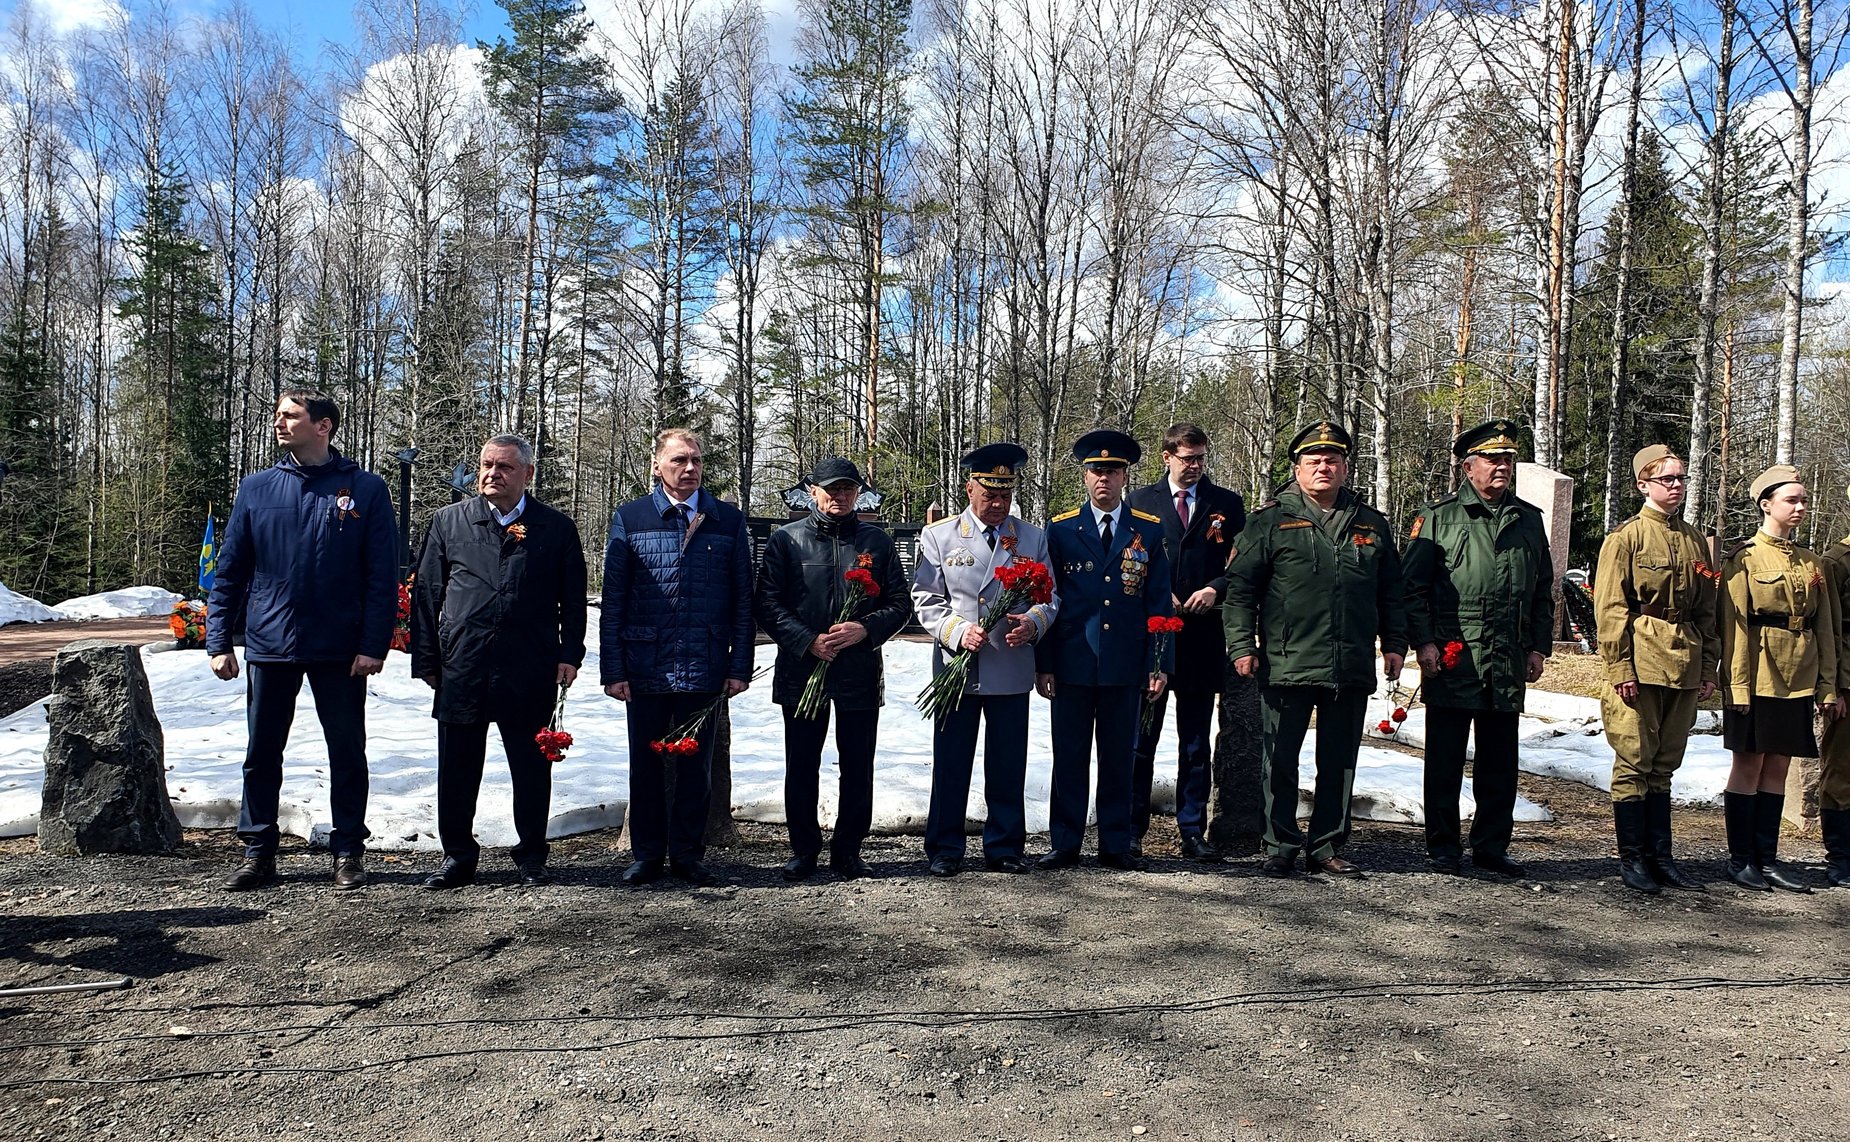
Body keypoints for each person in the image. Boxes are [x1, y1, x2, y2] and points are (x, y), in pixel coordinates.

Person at [206, 389, 398, 891]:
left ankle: (348, 851)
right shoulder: (257, 488)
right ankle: (258, 852)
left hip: (340, 647)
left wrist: (373, 644)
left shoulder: (365, 489)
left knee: (347, 752)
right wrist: (218, 639)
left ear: (323, 426)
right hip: (270, 643)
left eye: (290, 415)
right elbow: (231, 571)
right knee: (262, 753)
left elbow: (382, 575)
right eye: (277, 415)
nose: (279, 422)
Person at [1224, 421, 1405, 878]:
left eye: (1332, 460)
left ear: (1345, 467)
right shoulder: (1269, 521)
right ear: (1297, 469)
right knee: (1280, 760)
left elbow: (1391, 593)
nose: (1324, 467)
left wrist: (1394, 644)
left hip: (1349, 662)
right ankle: (1280, 844)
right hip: (1287, 660)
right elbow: (1241, 590)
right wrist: (1242, 645)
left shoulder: (1371, 524)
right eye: (1314, 461)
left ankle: (1326, 846)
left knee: (1339, 762)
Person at [411, 434, 586, 888]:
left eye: (504, 467)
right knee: (457, 767)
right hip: (462, 665)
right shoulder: (450, 521)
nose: (492, 474)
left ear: (528, 473)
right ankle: (457, 856)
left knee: (531, 769)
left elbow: (573, 601)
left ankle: (532, 855)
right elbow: (427, 593)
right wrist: (427, 658)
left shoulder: (555, 528)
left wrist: (570, 654)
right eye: (487, 464)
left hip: (530, 666)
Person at [602, 428, 755, 888]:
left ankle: (688, 854)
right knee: (646, 766)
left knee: (696, 768)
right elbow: (614, 599)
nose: (689, 468)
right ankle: (647, 854)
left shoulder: (727, 520)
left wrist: (739, 665)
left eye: (696, 460)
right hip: (645, 662)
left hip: (704, 659)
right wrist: (614, 668)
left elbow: (742, 600)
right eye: (679, 460)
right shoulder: (631, 517)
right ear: (657, 466)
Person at [1403, 418, 1554, 878]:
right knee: (1445, 759)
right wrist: (1423, 642)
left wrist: (1538, 647)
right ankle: (1443, 847)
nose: (1501, 466)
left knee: (1500, 760)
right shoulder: (1439, 517)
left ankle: (1491, 846)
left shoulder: (1528, 519)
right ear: (1468, 468)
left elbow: (1542, 590)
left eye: (1507, 459)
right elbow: (1413, 588)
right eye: (1491, 459)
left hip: (1507, 655)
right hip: (1455, 653)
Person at [754, 458, 912, 880]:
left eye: (848, 489)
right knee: (801, 763)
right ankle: (804, 849)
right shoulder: (786, 540)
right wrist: (807, 640)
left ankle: (848, 850)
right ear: (813, 491)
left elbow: (900, 603)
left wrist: (865, 629)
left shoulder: (876, 542)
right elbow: (767, 602)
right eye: (832, 489)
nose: (840, 496)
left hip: (858, 668)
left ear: (858, 493)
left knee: (857, 764)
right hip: (803, 669)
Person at [913, 443, 1060, 877]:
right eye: (989, 495)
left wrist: (1033, 623)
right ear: (969, 489)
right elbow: (926, 598)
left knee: (1008, 762)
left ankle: (1005, 846)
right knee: (952, 761)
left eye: (1005, 496)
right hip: (957, 669)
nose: (998, 504)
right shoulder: (940, 536)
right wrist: (957, 631)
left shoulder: (1031, 537)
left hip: (1009, 664)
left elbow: (1050, 597)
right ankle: (945, 847)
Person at [1035, 429, 1173, 871]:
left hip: (1125, 665)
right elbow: (1048, 599)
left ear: (1125, 476)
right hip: (1072, 663)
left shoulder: (1147, 530)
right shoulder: (1060, 530)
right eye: (1096, 470)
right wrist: (1045, 664)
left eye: (1112, 471)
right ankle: (1065, 842)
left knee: (1118, 758)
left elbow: (1158, 603)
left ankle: (1116, 842)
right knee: (1069, 757)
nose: (1104, 479)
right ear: (1084, 475)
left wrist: (1158, 664)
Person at [1591, 445, 1718, 894]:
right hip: (1641, 659)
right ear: (1643, 485)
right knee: (1634, 760)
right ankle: (1633, 860)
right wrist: (1620, 667)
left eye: (1681, 478)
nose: (1677, 485)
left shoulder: (1694, 540)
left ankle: (1661, 858)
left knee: (1665, 764)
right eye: (1667, 479)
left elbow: (1707, 610)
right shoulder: (1626, 538)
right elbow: (1610, 608)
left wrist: (1708, 666)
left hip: (1683, 659)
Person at [1718, 465, 1843, 892]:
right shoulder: (1744, 559)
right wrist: (1736, 685)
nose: (1801, 507)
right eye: (1792, 500)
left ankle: (1766, 859)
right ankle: (1740, 860)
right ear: (1766, 505)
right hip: (1757, 674)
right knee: (1749, 764)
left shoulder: (1811, 562)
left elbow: (1824, 627)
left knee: (1779, 765)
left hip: (1798, 676)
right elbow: (1733, 626)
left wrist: (1827, 684)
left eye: (1804, 500)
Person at [1128, 422, 1245, 860]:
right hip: (1155, 635)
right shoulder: (1140, 501)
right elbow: (1130, 560)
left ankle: (1192, 829)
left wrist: (1216, 587)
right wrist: (1158, 594)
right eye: (1187, 459)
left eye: (1200, 458)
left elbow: (1242, 562)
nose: (1194, 466)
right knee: (1143, 737)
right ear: (1167, 458)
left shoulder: (1226, 503)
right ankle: (1132, 827)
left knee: (1195, 741)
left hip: (1202, 634)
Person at [1818, 488, 1850, 888]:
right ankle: (1841, 856)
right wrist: (1834, 687)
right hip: (1848, 678)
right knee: (1842, 768)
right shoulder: (1836, 562)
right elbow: (1828, 630)